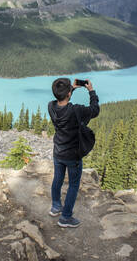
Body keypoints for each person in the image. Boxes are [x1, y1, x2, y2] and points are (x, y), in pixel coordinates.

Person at [47, 78, 99, 227]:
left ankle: (56, 206)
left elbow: (61, 102)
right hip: (73, 155)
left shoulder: (51, 106)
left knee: (58, 178)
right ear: (69, 93)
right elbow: (95, 110)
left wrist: (72, 89)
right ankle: (66, 217)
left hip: (58, 152)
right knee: (73, 185)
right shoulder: (76, 110)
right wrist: (91, 91)